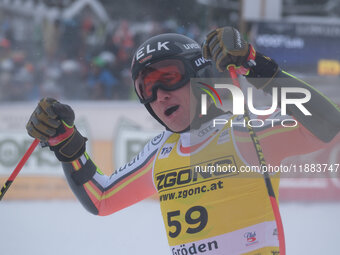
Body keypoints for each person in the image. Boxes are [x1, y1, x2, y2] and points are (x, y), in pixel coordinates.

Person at [26, 27, 340, 255]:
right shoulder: (159, 153)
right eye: (145, 87)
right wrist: (65, 143)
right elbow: (102, 198)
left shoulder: (242, 132)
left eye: (169, 76)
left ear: (197, 74)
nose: (159, 94)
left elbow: (330, 125)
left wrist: (254, 65)